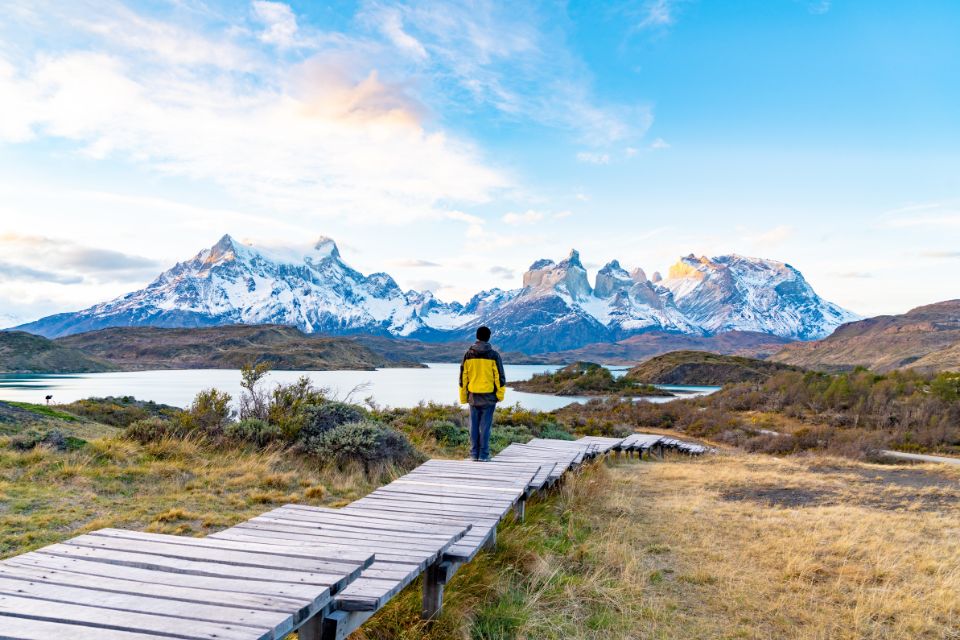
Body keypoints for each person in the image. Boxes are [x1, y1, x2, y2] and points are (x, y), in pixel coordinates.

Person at [458, 325, 506, 461]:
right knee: (485, 427)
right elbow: (500, 377)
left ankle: (474, 454)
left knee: (473, 426)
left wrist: (463, 397)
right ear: (488, 337)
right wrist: (500, 395)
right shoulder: (494, 355)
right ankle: (484, 455)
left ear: (477, 337)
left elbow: (463, 378)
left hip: (473, 396)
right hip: (489, 396)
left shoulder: (468, 354)